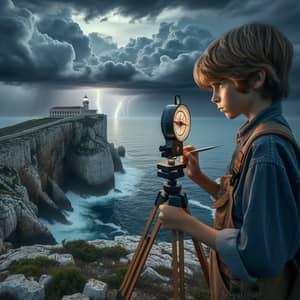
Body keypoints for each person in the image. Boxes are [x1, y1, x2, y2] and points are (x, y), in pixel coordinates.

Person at [158, 22, 300, 300]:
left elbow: (257, 256)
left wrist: (187, 223)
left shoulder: (265, 149)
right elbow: (246, 211)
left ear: (257, 79)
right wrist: (201, 179)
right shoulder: (258, 136)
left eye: (219, 85)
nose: (213, 97)